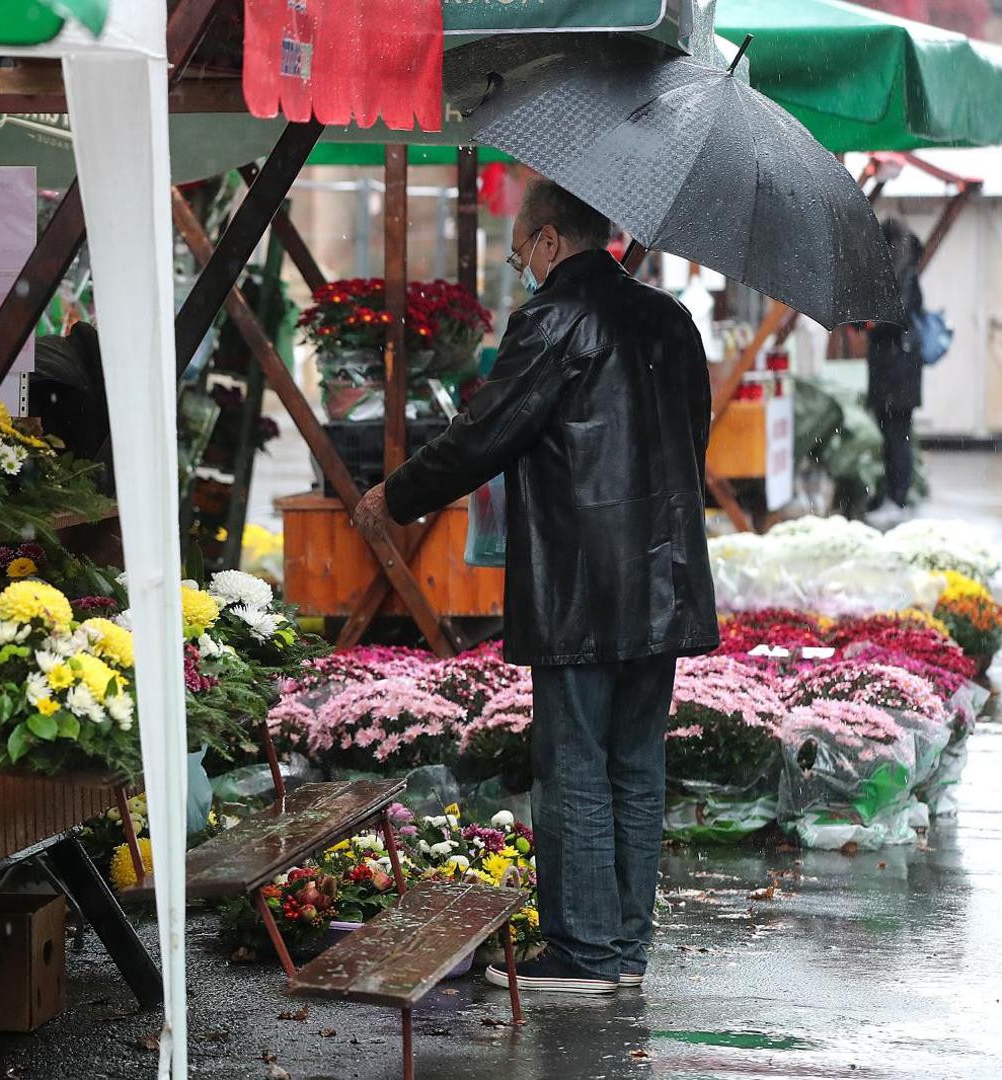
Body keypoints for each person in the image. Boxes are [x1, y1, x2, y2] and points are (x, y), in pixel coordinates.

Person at [353, 179, 719, 995]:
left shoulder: (555, 317)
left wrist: (396, 497)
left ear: (553, 240)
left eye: (522, 251)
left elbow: (488, 429)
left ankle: (586, 955)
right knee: (634, 764)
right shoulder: (671, 318)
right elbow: (692, 435)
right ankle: (623, 950)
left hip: (585, 581)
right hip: (664, 578)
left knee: (578, 765)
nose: (521, 265)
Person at [866, 218, 925, 524]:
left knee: (897, 435)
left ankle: (897, 499)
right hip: (894, 370)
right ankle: (893, 496)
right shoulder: (903, 269)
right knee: (893, 435)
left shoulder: (902, 272)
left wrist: (871, 322)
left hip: (897, 371)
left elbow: (895, 318)